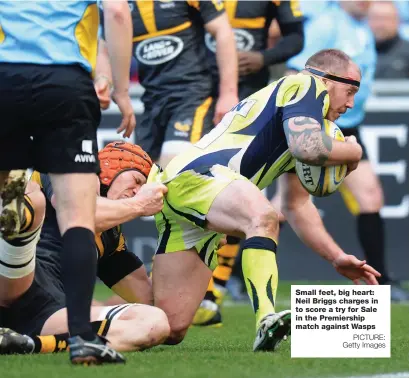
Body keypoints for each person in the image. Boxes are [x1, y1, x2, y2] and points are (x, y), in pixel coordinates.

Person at [148, 49, 380, 353]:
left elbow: (297, 207)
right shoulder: (306, 85)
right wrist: (354, 152)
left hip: (190, 197)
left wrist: (335, 257)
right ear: (326, 80)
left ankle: (82, 320)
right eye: (349, 91)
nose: (350, 104)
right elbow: (309, 148)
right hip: (198, 176)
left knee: (167, 325)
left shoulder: (301, 118)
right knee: (262, 216)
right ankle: (266, 320)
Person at [0, 1, 136, 365]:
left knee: (7, 194)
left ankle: (12, 195)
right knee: (78, 216)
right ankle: (82, 338)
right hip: (64, 84)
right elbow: (118, 14)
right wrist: (120, 90)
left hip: (4, 79)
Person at [276, 1, 409, 302]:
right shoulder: (325, 24)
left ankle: (381, 281)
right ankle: (235, 277)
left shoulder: (363, 26)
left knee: (370, 196)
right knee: (283, 204)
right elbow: (296, 74)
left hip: (348, 125)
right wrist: (307, 124)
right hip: (316, 126)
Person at [0, 143, 170, 356]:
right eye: (136, 181)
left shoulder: (112, 240)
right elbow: (81, 213)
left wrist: (184, 235)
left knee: (155, 322)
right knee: (34, 199)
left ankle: (27, 345)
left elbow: (151, 298)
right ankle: (18, 211)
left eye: (143, 187)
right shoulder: (69, 172)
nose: (137, 191)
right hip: (19, 276)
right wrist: (140, 204)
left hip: (45, 312)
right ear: (112, 165)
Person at [195, 0, 305, 327]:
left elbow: (296, 37)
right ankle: (192, 289)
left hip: (250, 105)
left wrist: (263, 57)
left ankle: (213, 293)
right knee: (196, 192)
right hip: (196, 95)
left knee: (239, 194)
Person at [96, 0, 238, 169]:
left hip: (192, 97)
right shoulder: (115, 5)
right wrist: (103, 79)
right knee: (142, 177)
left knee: (172, 172)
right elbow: (105, 50)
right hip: (152, 102)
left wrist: (228, 93)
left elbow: (223, 30)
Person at [369, 1, 409, 79]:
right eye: (375, 18)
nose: (380, 24)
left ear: (398, 21)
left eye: (386, 18)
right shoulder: (360, 52)